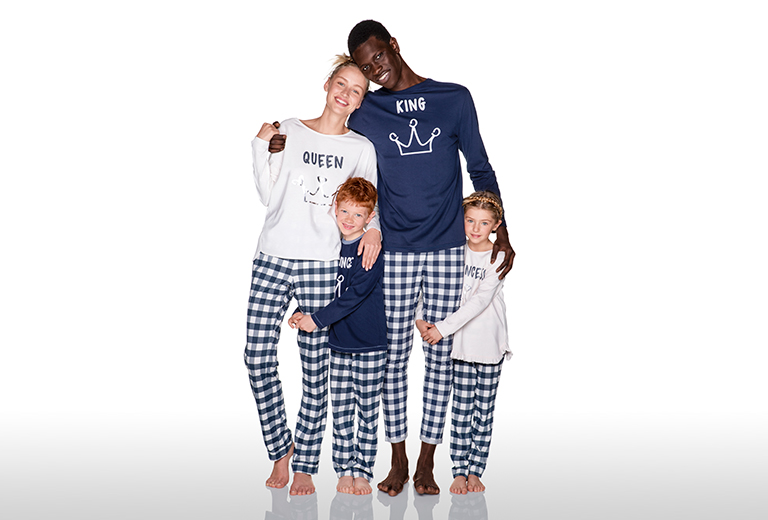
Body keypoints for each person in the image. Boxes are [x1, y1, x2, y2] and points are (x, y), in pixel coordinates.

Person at [347, 20, 515, 496]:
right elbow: (331, 131)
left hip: (446, 248)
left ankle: (427, 462)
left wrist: (503, 228)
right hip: (395, 251)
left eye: (378, 56)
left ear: (393, 45)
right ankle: (398, 458)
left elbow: (479, 165)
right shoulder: (367, 108)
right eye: (364, 66)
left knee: (440, 358)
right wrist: (280, 138)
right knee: (393, 358)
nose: (375, 70)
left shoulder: (453, 98)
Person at [244, 55, 381, 496]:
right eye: (341, 83)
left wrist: (374, 230)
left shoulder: (361, 149)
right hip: (273, 255)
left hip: (322, 262)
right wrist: (258, 145)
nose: (346, 93)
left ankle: (304, 462)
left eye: (356, 90)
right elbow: (269, 193)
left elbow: (370, 204)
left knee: (316, 368)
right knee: (256, 357)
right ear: (327, 84)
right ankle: (280, 448)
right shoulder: (290, 128)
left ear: (360, 101)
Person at [288, 177, 387, 496]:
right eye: (344, 211)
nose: (349, 219)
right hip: (339, 343)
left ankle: (363, 471)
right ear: (334, 208)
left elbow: (354, 295)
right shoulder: (328, 247)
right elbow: (320, 289)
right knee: (342, 411)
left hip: (370, 343)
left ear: (370, 217)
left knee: (367, 411)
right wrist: (303, 311)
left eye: (358, 214)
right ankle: (344, 469)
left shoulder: (370, 248)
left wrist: (315, 321)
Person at [415, 191, 512, 495]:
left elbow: (480, 301)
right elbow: (428, 283)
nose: (475, 228)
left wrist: (441, 330)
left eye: (483, 223)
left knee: (483, 412)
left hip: (489, 345)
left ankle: (475, 470)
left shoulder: (499, 257)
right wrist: (420, 316)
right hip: (462, 347)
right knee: (461, 410)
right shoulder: (453, 251)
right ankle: (458, 470)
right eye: (470, 220)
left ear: (495, 226)